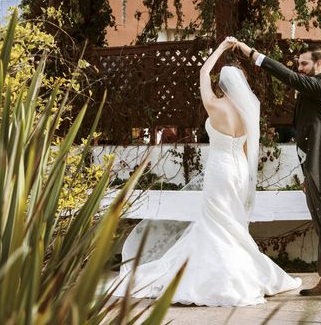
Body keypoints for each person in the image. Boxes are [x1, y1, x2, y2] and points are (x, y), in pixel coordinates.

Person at [112, 37, 301, 306]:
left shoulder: (214, 105)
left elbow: (202, 72)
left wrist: (222, 48)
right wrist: (247, 179)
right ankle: (241, 274)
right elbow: (248, 149)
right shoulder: (248, 111)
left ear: (222, 84)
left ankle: (217, 277)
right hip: (238, 170)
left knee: (215, 222)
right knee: (231, 223)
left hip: (220, 169)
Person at [234, 40, 321, 301]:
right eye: (298, 64)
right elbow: (308, 133)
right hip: (314, 167)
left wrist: (253, 54)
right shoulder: (311, 90)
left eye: (304, 64)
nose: (299, 68)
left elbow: (288, 77)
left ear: (319, 64)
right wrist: (306, 173)